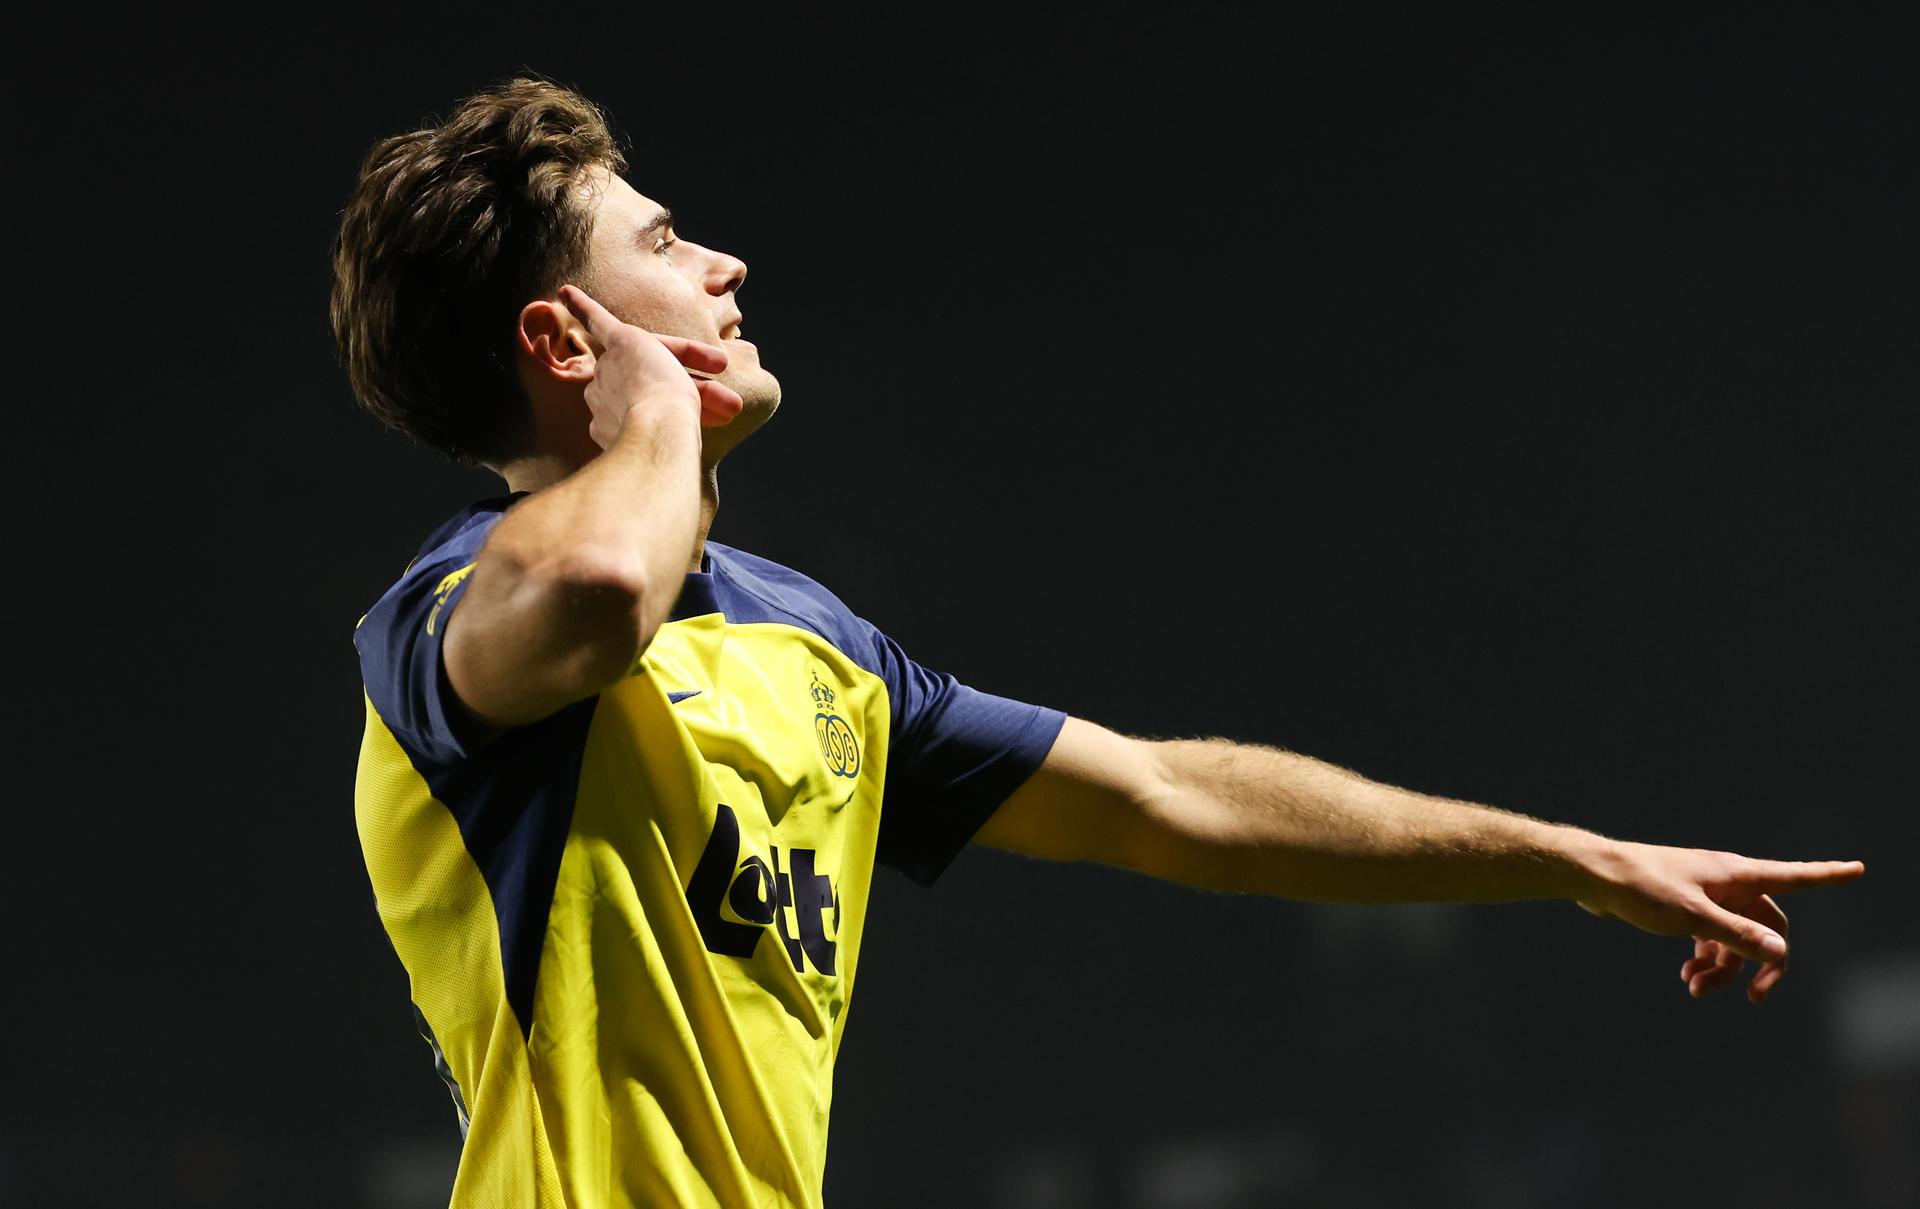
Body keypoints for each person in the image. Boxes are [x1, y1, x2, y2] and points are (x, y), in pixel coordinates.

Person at [332, 77, 1866, 1209]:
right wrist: (658, 405)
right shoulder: (453, 617)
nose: (724, 266)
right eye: (666, 244)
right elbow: (600, 586)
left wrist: (1569, 857)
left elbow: (1169, 796)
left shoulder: (817, 646)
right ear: (560, 339)